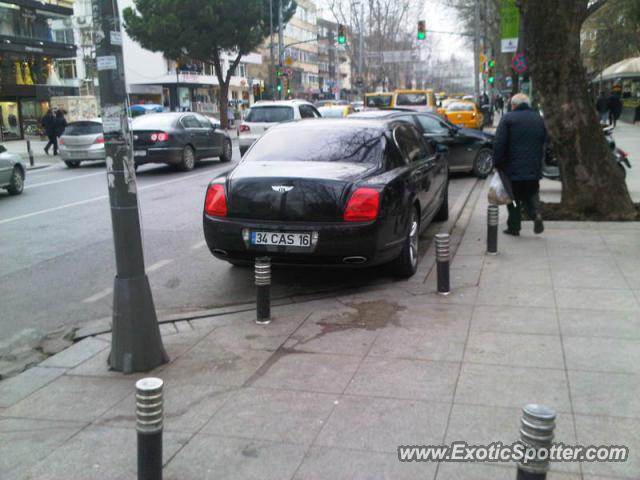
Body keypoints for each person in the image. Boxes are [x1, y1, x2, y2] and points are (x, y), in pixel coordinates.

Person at [493, 93, 546, 236]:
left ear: (514, 105)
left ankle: (514, 226)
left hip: (513, 168)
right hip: (533, 166)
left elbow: (500, 143)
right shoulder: (538, 118)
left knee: (514, 198)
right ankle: (536, 214)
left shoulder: (508, 119)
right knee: (532, 192)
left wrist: (497, 162)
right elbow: (544, 140)